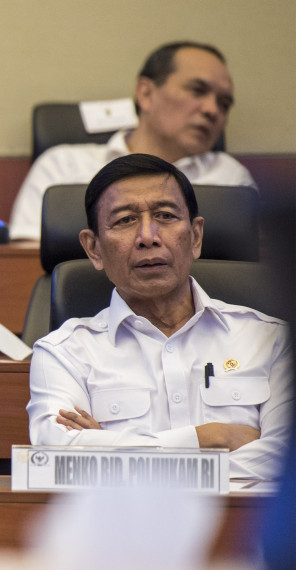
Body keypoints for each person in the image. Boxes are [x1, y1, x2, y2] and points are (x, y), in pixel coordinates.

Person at [27, 154, 291, 480]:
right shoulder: (64, 353)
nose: (148, 236)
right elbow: (56, 457)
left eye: (165, 216)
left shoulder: (272, 340)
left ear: (195, 236)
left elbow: (284, 462)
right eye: (125, 220)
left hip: (244, 529)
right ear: (93, 248)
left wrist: (106, 452)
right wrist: (208, 438)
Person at [8, 41, 256, 241]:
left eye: (224, 104)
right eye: (197, 90)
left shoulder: (230, 177)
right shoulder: (62, 166)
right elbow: (25, 264)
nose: (213, 110)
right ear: (146, 93)